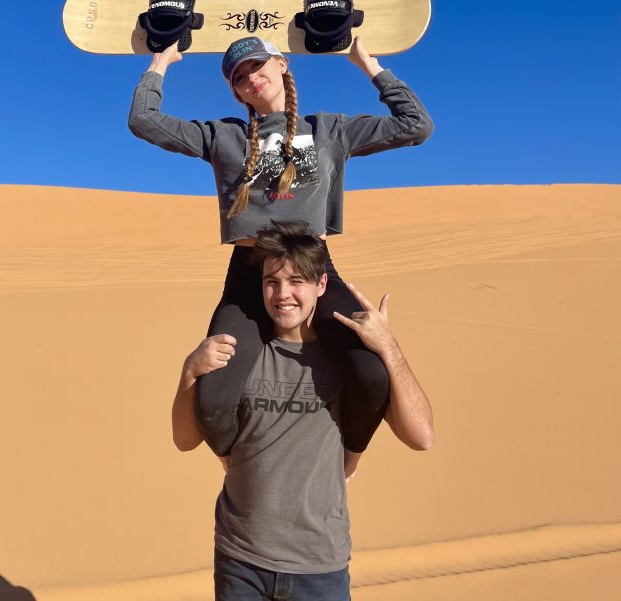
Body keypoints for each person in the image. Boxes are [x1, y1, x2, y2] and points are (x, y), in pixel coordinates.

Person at [129, 34, 433, 457]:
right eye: (239, 77)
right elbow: (143, 120)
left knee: (371, 374)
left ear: (282, 65)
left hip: (312, 269)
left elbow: (416, 125)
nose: (250, 78)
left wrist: (369, 66)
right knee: (213, 398)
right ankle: (238, 467)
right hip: (249, 273)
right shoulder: (223, 136)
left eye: (257, 65)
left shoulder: (329, 131)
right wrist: (160, 63)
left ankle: (349, 457)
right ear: (237, 93)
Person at [172, 220, 434, 601]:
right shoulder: (238, 357)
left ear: (321, 285)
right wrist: (190, 372)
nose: (283, 294)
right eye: (272, 281)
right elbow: (185, 440)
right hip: (242, 564)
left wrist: (388, 347)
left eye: (296, 281)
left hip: (319, 568)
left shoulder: (349, 364)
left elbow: (421, 436)